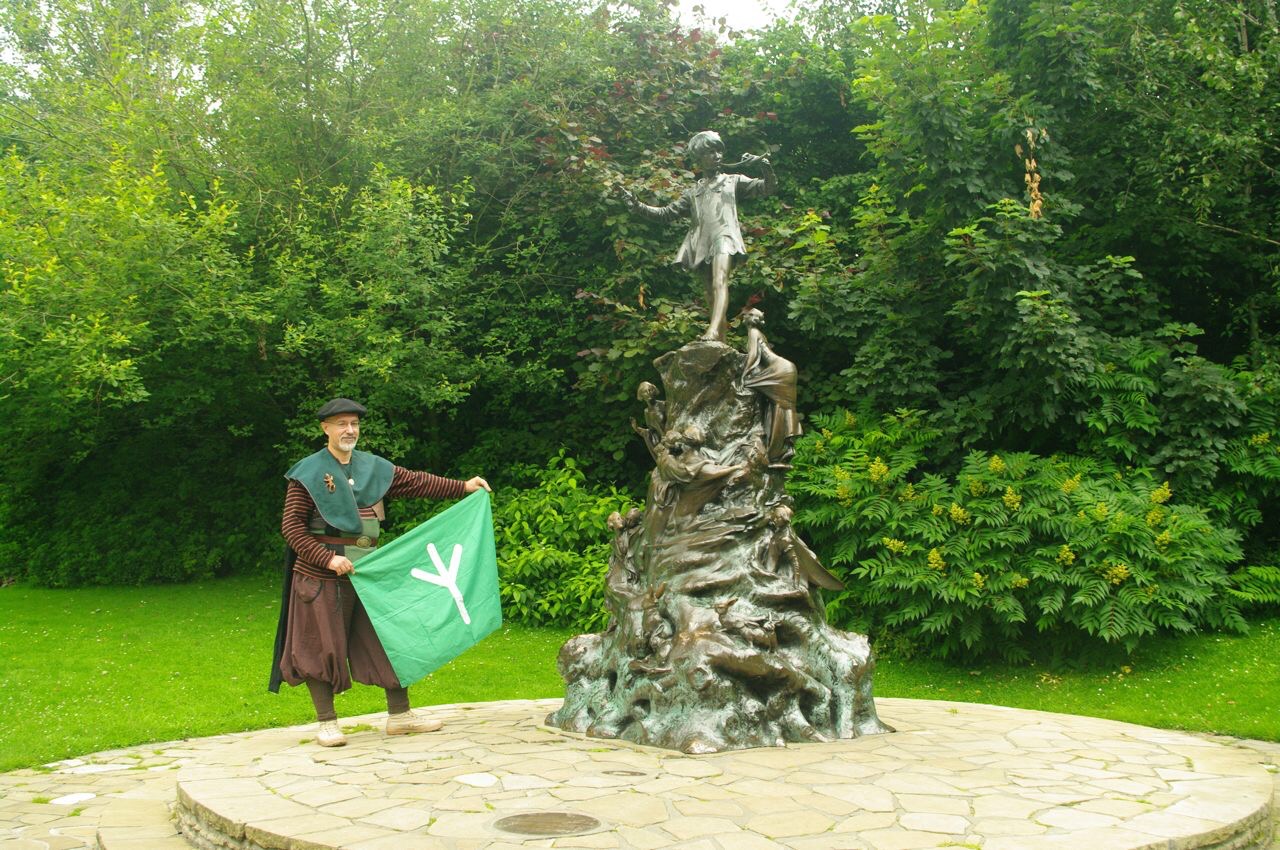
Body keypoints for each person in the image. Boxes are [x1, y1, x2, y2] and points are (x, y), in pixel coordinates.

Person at [268, 397, 490, 747]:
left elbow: (416, 482)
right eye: (342, 424)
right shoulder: (307, 473)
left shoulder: (371, 468)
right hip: (320, 577)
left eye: (354, 424)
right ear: (325, 428)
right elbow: (292, 527)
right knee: (320, 648)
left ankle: (400, 716)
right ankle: (327, 723)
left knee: (388, 640)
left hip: (368, 574)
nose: (349, 430)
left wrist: (462, 486)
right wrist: (326, 558)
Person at [620, 130, 775, 343]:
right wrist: (638, 206)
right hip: (701, 242)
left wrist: (765, 166)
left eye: (719, 151)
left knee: (720, 280)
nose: (717, 156)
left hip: (725, 236)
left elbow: (767, 188)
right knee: (710, 294)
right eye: (710, 152)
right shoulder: (693, 192)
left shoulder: (732, 181)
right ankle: (720, 342)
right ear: (699, 158)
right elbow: (666, 214)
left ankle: (712, 331)